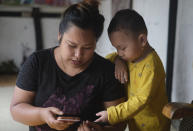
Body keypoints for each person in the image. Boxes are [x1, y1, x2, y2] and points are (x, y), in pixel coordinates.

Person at [10, 0, 126, 131]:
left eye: (87, 48)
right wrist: (42, 115)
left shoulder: (106, 71)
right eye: (72, 45)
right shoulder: (37, 62)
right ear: (60, 35)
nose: (78, 55)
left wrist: (100, 130)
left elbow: (120, 124)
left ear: (96, 42)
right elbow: (16, 109)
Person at [95, 9, 171, 131]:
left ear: (142, 40)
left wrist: (112, 114)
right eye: (116, 48)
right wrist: (118, 61)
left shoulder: (152, 67)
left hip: (154, 126)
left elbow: (140, 100)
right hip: (135, 124)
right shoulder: (130, 55)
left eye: (122, 48)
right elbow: (108, 59)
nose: (119, 53)